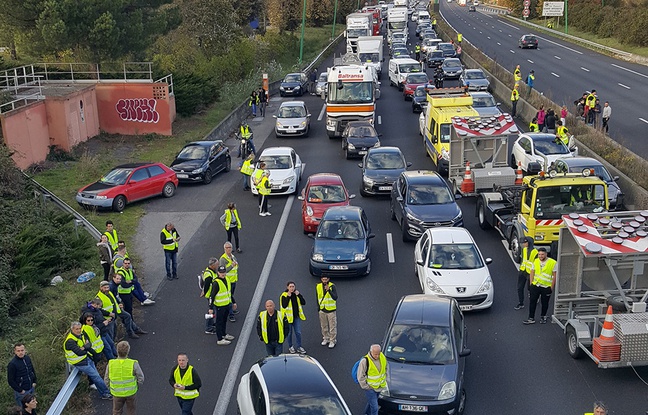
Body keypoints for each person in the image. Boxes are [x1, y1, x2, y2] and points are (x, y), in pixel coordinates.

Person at [63, 321, 112, 400]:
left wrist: (84, 347)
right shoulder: (70, 341)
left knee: (96, 376)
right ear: (72, 329)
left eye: (79, 328)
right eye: (76, 329)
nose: (79, 330)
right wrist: (85, 347)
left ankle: (103, 392)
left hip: (86, 359)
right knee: (96, 377)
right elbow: (80, 352)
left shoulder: (80, 335)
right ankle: (106, 393)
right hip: (80, 363)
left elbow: (89, 345)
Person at [104, 341, 144, 415]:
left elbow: (106, 379)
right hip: (131, 393)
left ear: (117, 350)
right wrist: (136, 386)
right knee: (131, 411)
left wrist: (111, 388)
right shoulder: (133, 363)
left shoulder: (111, 363)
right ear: (128, 351)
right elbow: (141, 377)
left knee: (116, 411)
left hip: (116, 393)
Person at [523, 247, 557, 325]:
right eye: (539, 254)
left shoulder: (553, 262)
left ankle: (543, 316)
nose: (540, 256)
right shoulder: (536, 261)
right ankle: (531, 318)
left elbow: (555, 275)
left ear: (546, 254)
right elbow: (532, 272)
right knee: (532, 302)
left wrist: (551, 287)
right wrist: (531, 284)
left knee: (545, 303)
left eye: (542, 254)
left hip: (546, 287)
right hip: (536, 285)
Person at [208, 265, 235, 345]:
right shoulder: (216, 283)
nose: (223, 274)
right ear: (218, 273)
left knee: (224, 320)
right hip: (220, 306)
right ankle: (219, 338)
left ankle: (224, 334)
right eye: (221, 273)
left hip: (227, 304)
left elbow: (229, 292)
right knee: (219, 322)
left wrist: (233, 302)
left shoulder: (227, 279)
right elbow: (211, 296)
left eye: (224, 272)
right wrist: (210, 307)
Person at [357, 344, 387, 415]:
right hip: (370, 388)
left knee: (372, 403)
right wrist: (367, 387)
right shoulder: (365, 361)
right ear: (371, 352)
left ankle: (366, 413)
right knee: (375, 408)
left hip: (379, 387)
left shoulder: (382, 356)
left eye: (378, 354)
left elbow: (386, 367)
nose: (377, 356)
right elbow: (360, 376)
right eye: (375, 354)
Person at [7, 343, 37, 408]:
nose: (21, 352)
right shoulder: (12, 364)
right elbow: (10, 380)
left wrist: (34, 381)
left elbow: (32, 370)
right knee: (23, 409)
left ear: (25, 350)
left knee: (31, 406)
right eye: (18, 351)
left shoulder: (27, 358)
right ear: (15, 352)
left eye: (22, 350)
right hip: (22, 391)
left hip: (31, 387)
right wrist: (20, 390)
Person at [280, 281, 306, 354]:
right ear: (287, 287)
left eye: (293, 286)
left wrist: (299, 295)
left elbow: (303, 302)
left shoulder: (296, 294)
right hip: (288, 318)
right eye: (290, 287)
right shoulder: (284, 295)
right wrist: (288, 296)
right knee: (289, 333)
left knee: (298, 332)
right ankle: (290, 346)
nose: (292, 288)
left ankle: (299, 346)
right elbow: (284, 305)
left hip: (296, 317)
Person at [515, 237, 537, 310]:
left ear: (529, 243)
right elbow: (523, 260)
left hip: (530, 272)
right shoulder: (524, 250)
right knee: (519, 287)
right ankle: (521, 303)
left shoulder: (535, 252)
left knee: (530, 288)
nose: (523, 244)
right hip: (522, 270)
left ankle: (533, 298)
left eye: (524, 243)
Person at [220, 241, 240, 322]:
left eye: (230, 247)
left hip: (233, 280)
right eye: (227, 248)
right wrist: (231, 266)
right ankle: (231, 314)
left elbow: (237, 266)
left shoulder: (233, 256)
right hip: (227, 281)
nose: (229, 249)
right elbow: (222, 271)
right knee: (229, 297)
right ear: (224, 249)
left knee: (231, 295)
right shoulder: (223, 259)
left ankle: (231, 308)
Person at [317, 276, 338, 348]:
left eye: (326, 279)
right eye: (323, 279)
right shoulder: (318, 286)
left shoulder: (332, 286)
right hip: (322, 309)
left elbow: (335, 297)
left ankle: (333, 340)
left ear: (328, 279)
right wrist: (318, 308)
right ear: (321, 279)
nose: (324, 281)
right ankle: (326, 338)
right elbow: (318, 297)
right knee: (324, 326)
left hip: (331, 310)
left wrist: (329, 290)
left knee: (332, 327)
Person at [201, 258, 219, 335]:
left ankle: (211, 324)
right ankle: (209, 328)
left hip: (212, 294)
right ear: (212, 265)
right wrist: (204, 292)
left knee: (212, 310)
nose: (218, 266)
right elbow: (207, 285)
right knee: (211, 310)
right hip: (211, 295)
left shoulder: (211, 271)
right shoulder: (209, 275)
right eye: (217, 265)